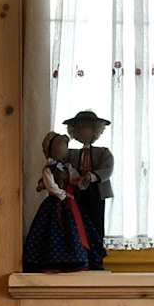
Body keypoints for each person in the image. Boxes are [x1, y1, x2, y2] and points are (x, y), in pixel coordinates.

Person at [21, 131, 90, 273]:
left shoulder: (67, 167)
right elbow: (51, 186)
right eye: (60, 147)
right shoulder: (49, 169)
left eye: (64, 147)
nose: (63, 150)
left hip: (68, 203)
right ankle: (49, 261)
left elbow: (74, 178)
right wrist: (63, 195)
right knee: (51, 229)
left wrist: (80, 181)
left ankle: (73, 260)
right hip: (55, 202)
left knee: (71, 230)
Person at [64, 109, 113, 269]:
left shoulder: (103, 152)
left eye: (88, 127)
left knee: (96, 224)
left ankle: (96, 258)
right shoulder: (71, 153)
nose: (84, 131)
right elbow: (63, 167)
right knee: (77, 223)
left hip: (96, 192)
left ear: (95, 130)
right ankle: (80, 257)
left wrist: (92, 176)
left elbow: (107, 169)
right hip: (76, 192)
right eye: (80, 128)